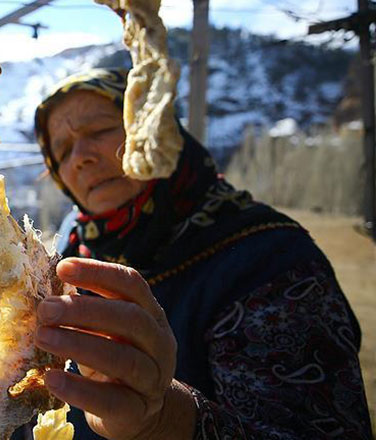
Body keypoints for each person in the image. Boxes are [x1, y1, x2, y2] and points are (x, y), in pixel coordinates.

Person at [21, 68, 373, 439]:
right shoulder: (64, 259)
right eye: (61, 150)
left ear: (154, 128)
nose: (80, 157)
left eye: (99, 130)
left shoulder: (268, 257)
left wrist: (162, 418)